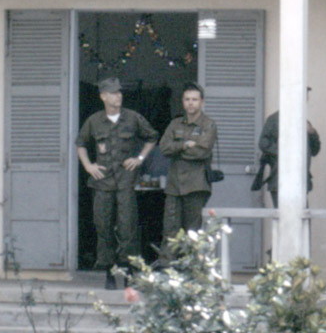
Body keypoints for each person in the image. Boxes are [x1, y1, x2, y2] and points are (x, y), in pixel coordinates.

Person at [75, 77, 158, 289]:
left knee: (127, 226)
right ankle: (110, 273)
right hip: (102, 183)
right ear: (103, 96)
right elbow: (81, 144)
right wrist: (88, 166)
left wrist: (139, 159)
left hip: (125, 183)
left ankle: (129, 272)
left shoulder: (132, 118)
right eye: (113, 93)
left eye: (119, 92)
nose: (118, 96)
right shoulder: (94, 121)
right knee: (103, 226)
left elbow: (152, 137)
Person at [159, 82, 218, 248]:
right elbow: (164, 148)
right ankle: (168, 269)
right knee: (170, 231)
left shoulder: (208, 125)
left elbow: (201, 152)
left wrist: (176, 149)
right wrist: (185, 145)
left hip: (196, 185)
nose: (190, 103)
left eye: (194, 99)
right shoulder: (175, 124)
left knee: (193, 232)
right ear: (183, 102)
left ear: (202, 102)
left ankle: (191, 270)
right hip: (174, 186)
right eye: (187, 99)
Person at [256, 89, 321, 208]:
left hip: (301, 180)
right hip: (279, 177)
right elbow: (263, 143)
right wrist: (285, 152)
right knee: (282, 219)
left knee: (303, 219)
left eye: (305, 97)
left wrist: (312, 133)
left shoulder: (305, 121)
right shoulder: (275, 119)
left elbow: (315, 150)